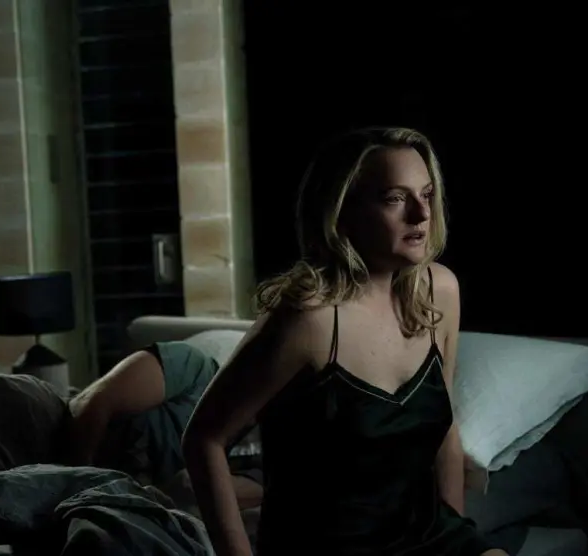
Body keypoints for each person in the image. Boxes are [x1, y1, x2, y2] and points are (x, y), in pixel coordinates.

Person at [181, 127, 508, 555]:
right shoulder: (309, 319)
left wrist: (457, 537)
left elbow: (445, 431)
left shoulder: (438, 291)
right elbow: (203, 439)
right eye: (395, 198)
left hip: (428, 535)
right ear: (343, 211)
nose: (421, 214)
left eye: (427, 195)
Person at [66, 340, 264, 511]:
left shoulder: (260, 459)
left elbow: (192, 487)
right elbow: (92, 404)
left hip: (115, 502)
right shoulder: (193, 369)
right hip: (68, 443)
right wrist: (76, 488)